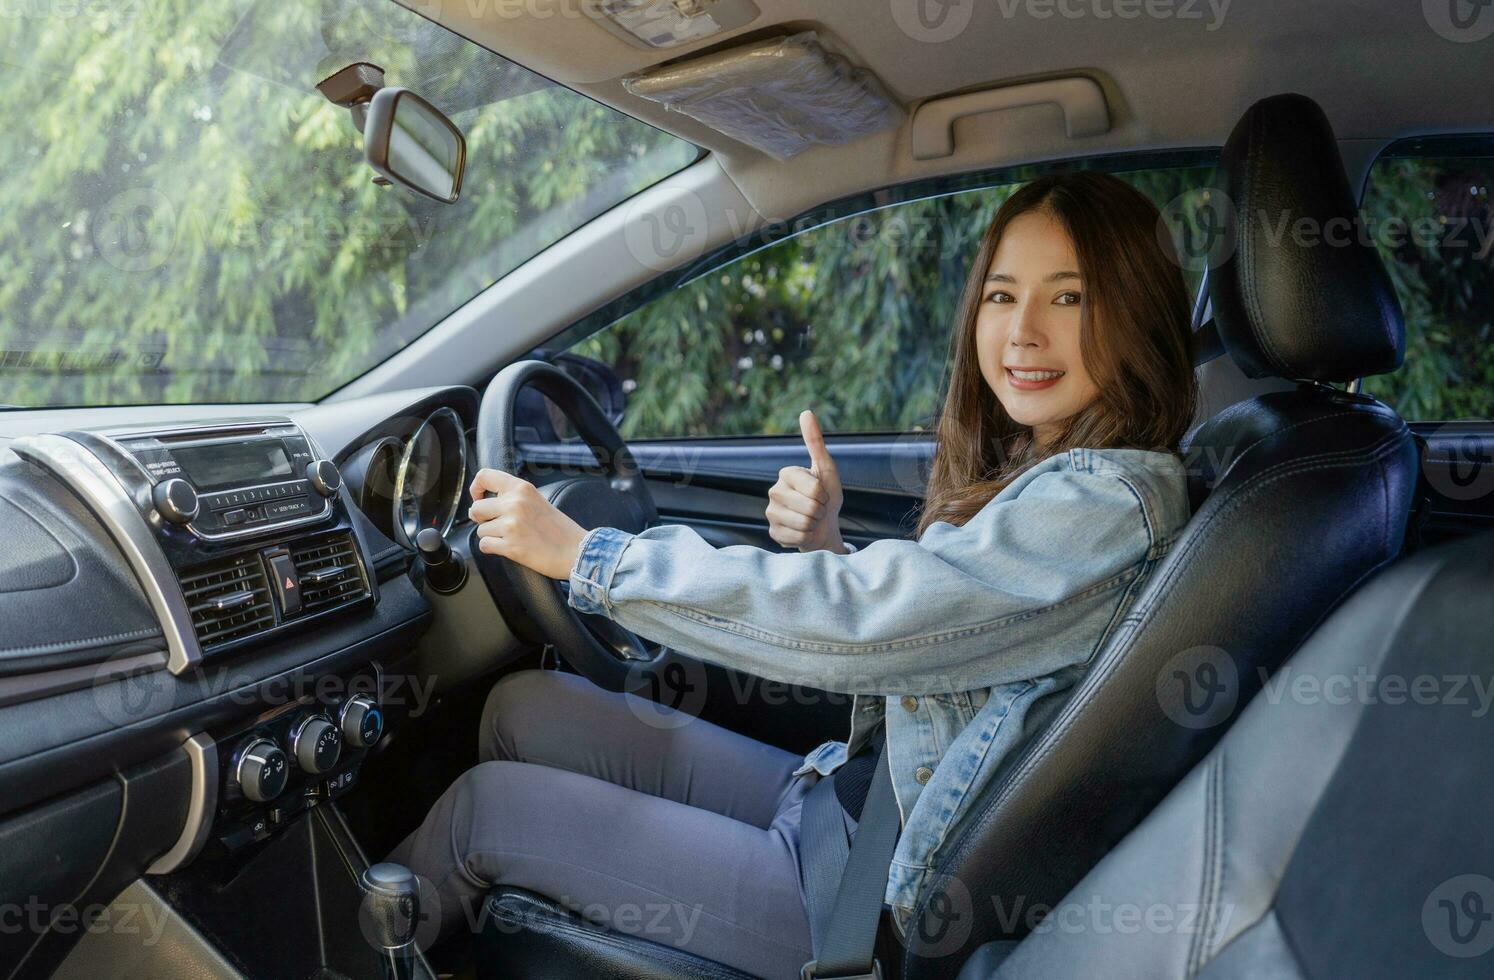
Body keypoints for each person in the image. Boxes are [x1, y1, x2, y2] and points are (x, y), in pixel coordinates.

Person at [390, 172, 1198, 979]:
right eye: (1000, 295)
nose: (1022, 331)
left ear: (1134, 310)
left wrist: (587, 556)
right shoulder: (1062, 472)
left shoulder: (1103, 504)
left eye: (1069, 298)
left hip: (854, 905)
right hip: (841, 800)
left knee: (482, 814)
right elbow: (951, 632)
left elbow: (869, 623)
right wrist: (827, 550)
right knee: (522, 706)